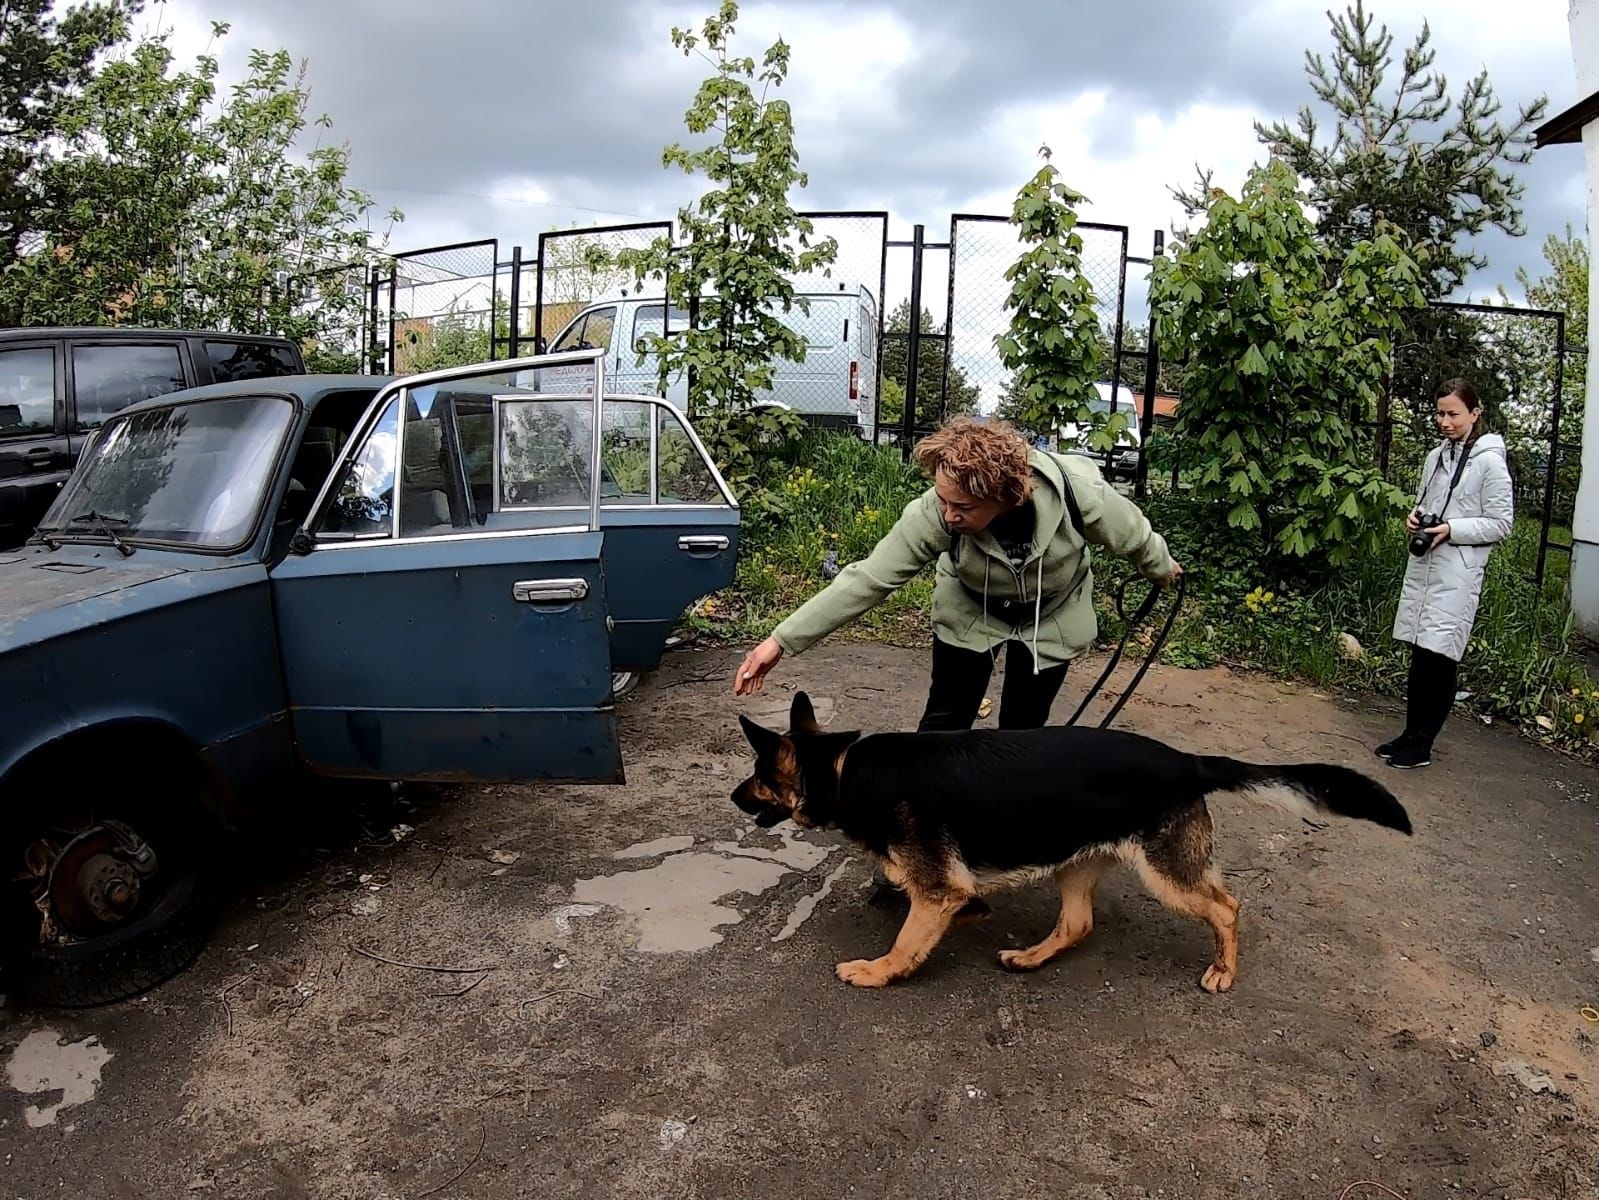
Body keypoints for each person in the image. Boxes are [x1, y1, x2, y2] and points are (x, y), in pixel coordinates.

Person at [732, 415, 1182, 732]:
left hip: (1052, 616)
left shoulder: (1078, 494)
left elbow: (1135, 535)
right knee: (945, 723)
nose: (947, 515)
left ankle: (1004, 844)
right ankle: (920, 844)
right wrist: (780, 641)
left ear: (1007, 495)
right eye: (943, 500)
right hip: (970, 611)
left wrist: (1161, 569)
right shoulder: (935, 511)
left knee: (1022, 732)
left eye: (962, 507)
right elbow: (868, 579)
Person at [1382, 379, 1513, 770]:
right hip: (1425, 567)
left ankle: (1422, 745)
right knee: (1420, 655)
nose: (1445, 421)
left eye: (1453, 414)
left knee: (1440, 658)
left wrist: (1452, 529)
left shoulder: (1490, 461)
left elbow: (1501, 523)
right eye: (1440, 413)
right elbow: (1428, 501)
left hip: (1457, 571)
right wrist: (1416, 517)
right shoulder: (1436, 455)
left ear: (1475, 413)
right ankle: (1409, 734)